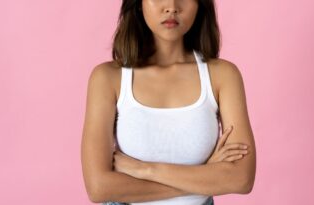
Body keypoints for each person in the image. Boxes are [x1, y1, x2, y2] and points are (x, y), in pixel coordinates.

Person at [81, 0, 256, 204]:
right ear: (139, 4)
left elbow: (241, 179)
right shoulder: (108, 78)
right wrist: (205, 175)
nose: (172, 6)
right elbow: (98, 188)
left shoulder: (222, 75)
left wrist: (144, 169)